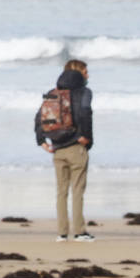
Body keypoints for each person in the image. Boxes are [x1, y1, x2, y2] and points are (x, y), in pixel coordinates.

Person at [35, 59, 94, 242]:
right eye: (86, 71)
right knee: (77, 190)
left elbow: (39, 116)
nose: (88, 75)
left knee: (61, 192)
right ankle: (79, 232)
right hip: (76, 147)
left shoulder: (54, 93)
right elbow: (85, 112)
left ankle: (62, 233)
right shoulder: (84, 91)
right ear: (79, 72)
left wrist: (41, 140)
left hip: (57, 148)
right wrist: (87, 137)